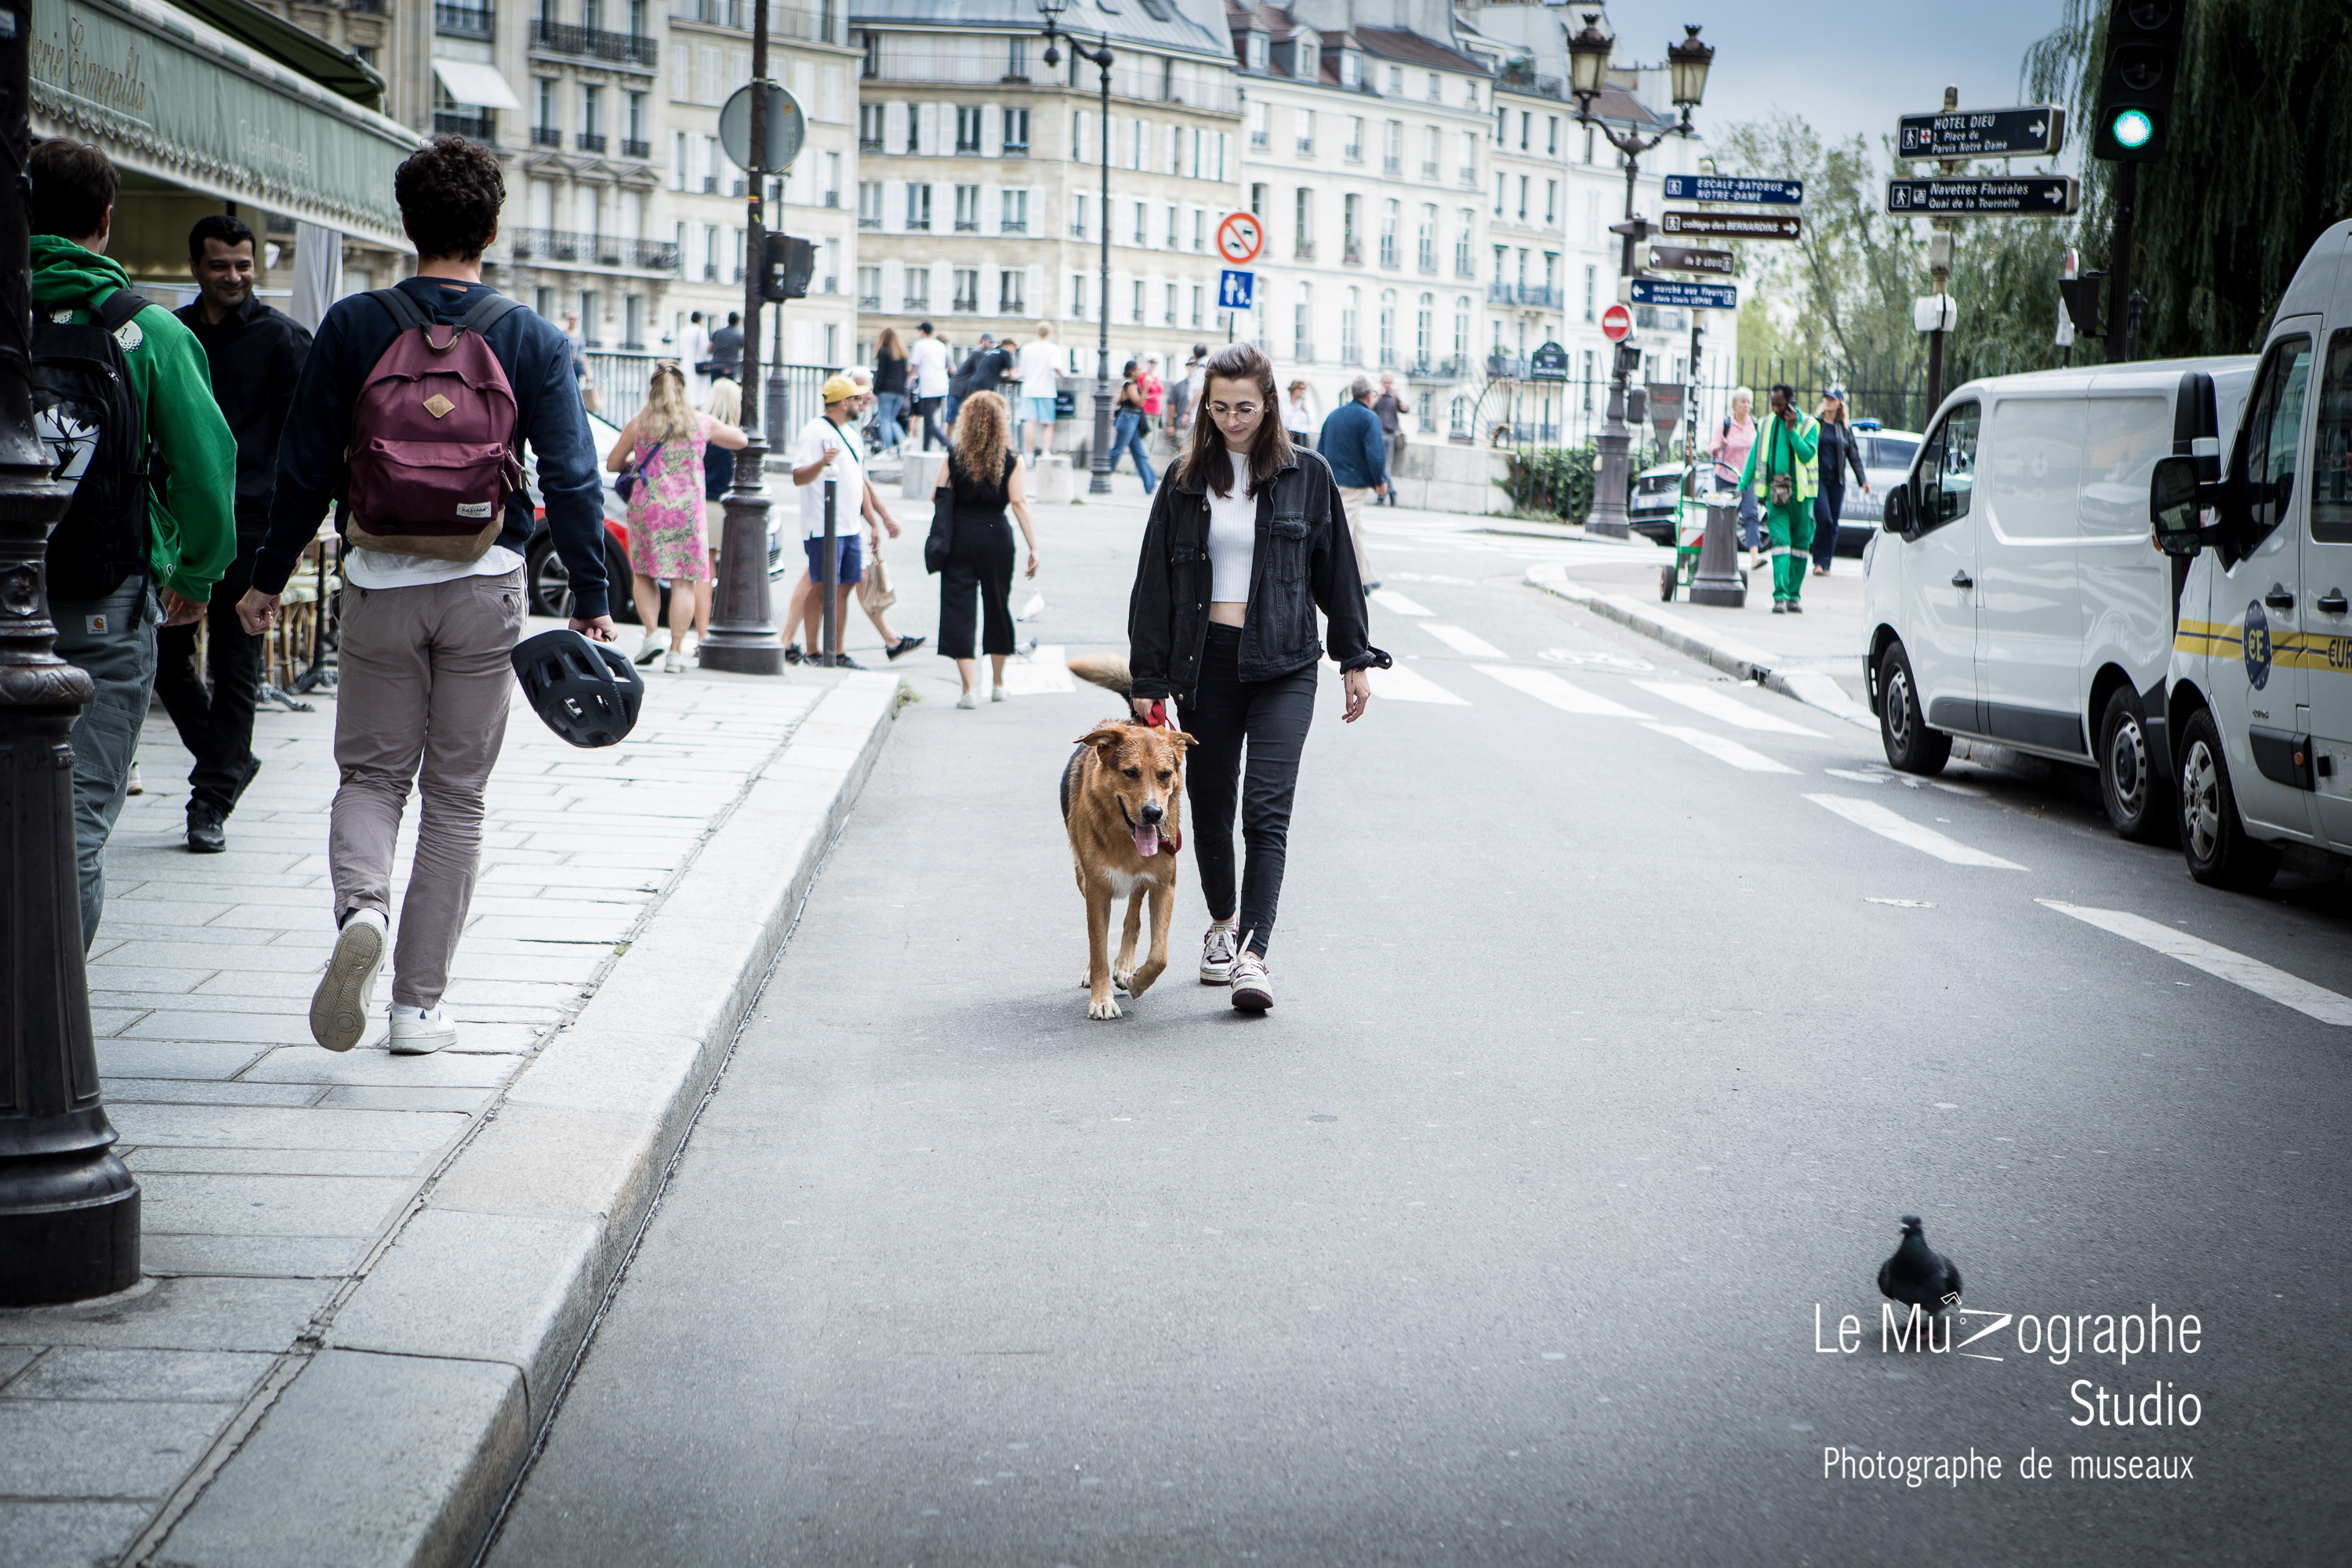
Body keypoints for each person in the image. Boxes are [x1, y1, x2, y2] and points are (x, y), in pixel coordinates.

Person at [239, 136, 615, 1056]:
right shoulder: (529, 335)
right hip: (486, 584)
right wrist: (592, 593)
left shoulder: (357, 326)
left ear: (406, 225)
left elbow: (304, 468)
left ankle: (360, 910)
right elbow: (571, 478)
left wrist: (266, 576)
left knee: (372, 777)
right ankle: (417, 1008)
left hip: (378, 581)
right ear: (491, 227)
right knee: (456, 797)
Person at [1127, 343, 1388, 1014]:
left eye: (1244, 407)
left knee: (1265, 808)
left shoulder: (1309, 474)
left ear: (1269, 402)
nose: (1232, 420)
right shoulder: (1185, 479)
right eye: (1218, 408)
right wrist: (1148, 679)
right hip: (1204, 663)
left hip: (1286, 662)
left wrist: (1353, 657)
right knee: (1210, 807)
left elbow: (1338, 574)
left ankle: (1253, 953)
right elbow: (1154, 582)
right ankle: (1220, 923)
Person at [31, 139, 238, 943]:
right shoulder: (150, 332)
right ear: (107, 222)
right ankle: (48, 1034)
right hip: (104, 601)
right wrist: (196, 570)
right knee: (77, 815)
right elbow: (206, 467)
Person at [158, 212, 310, 855]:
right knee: (163, 657)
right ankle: (228, 760)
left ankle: (211, 801)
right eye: (220, 265)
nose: (234, 276)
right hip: (179, 521)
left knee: (236, 659)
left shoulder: (283, 340)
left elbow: (309, 441)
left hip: (252, 522)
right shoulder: (169, 334)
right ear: (196, 266)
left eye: (244, 265)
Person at [608, 361, 745, 673]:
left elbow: (613, 463)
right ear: (683, 389)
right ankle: (674, 652)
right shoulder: (699, 421)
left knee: (644, 574)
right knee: (683, 582)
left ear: (653, 390)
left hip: (649, 510)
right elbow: (741, 441)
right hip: (687, 513)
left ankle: (653, 634)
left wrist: (637, 457)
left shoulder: (640, 422)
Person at [786, 373, 915, 668]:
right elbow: (797, 477)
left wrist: (873, 523)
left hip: (849, 527)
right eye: (858, 399)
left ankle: (837, 652)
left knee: (843, 587)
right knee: (820, 587)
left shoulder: (852, 434)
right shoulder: (814, 432)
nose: (863, 402)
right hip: (823, 526)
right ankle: (813, 651)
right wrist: (821, 464)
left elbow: (859, 481)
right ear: (844, 403)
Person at [933, 390, 1039, 709]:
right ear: (999, 423)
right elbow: (1019, 502)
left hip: (959, 537)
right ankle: (997, 684)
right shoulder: (1011, 459)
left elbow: (937, 494)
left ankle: (968, 690)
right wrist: (1034, 547)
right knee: (996, 605)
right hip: (996, 537)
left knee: (958, 610)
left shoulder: (954, 454)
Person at [1736, 382, 1821, 615]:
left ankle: (1794, 596)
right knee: (1781, 543)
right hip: (1776, 497)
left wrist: (1792, 431)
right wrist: (1743, 486)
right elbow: (1754, 456)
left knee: (1801, 547)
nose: (1775, 409)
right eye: (1773, 405)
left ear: (1790, 402)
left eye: (1780, 405)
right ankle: (1780, 597)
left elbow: (1806, 454)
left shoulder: (1810, 424)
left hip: (1802, 498)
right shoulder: (1765, 425)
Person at [1317, 376, 1388, 590]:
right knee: (1342, 531)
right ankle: (1330, 579)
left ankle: (1365, 577)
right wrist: (1380, 481)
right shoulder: (1369, 418)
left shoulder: (1334, 415)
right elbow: (1375, 455)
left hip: (1332, 479)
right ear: (1369, 395)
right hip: (1354, 482)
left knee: (1356, 529)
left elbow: (1320, 449)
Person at [1810, 386, 1871, 576]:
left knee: (1833, 522)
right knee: (1824, 518)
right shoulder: (1815, 424)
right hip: (1818, 479)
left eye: (1832, 399)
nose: (1828, 401)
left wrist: (1862, 480)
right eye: (1826, 398)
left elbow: (1853, 455)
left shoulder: (1845, 428)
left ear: (1839, 404)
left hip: (1837, 480)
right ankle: (1818, 561)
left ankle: (1826, 563)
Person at [1707, 387, 1761, 557]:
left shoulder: (1754, 425)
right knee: (1726, 514)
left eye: (1748, 402)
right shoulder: (1726, 425)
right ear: (1735, 405)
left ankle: (1754, 556)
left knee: (1751, 513)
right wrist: (1718, 446)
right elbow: (1711, 448)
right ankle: (1723, 554)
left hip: (1747, 477)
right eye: (1742, 402)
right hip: (1726, 476)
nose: (1746, 406)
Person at [1014, 321, 1061, 459]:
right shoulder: (1054, 349)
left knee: (1029, 422)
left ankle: (1029, 454)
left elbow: (1022, 371)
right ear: (1050, 334)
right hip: (1047, 389)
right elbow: (1056, 367)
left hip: (1029, 389)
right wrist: (1065, 374)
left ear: (1037, 333)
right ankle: (1046, 453)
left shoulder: (1027, 349)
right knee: (1048, 424)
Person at [1109, 359, 1157, 494]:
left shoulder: (1133, 385)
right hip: (1127, 419)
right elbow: (1139, 402)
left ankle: (1150, 484)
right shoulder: (1128, 385)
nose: (1141, 372)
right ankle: (1103, 475)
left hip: (1133, 419)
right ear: (1132, 371)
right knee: (1117, 450)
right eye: (1138, 369)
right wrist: (1147, 386)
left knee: (1140, 454)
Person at [909, 320, 951, 451]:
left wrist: (908, 377)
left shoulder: (920, 345)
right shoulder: (940, 345)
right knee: (930, 419)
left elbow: (914, 365)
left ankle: (948, 444)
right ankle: (926, 447)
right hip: (942, 385)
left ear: (922, 332)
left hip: (929, 386)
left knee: (928, 420)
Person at [1371, 373, 1410, 505]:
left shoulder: (1394, 398)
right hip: (1378, 435)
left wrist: (1398, 399)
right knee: (1381, 466)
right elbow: (1368, 408)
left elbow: (1405, 409)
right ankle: (1391, 493)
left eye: (1389, 383)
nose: (1387, 385)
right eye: (1384, 383)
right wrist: (1378, 396)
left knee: (1386, 467)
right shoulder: (1377, 396)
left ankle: (1383, 495)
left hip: (1391, 435)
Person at [872, 326, 910, 456]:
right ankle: (903, 439)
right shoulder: (902, 354)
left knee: (885, 420)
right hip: (900, 391)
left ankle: (888, 449)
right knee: (892, 420)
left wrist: (875, 391)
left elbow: (881, 374)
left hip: (886, 390)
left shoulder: (884, 352)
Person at [679, 310, 711, 405]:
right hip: (698, 364)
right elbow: (704, 349)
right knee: (699, 392)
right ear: (700, 320)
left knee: (688, 388)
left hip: (685, 363)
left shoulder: (684, 330)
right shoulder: (702, 331)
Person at [706, 310, 743, 383]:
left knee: (716, 390)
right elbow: (742, 352)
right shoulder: (738, 336)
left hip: (715, 366)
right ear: (737, 322)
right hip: (729, 367)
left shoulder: (717, 332)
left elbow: (709, 349)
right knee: (728, 392)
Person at [1283, 379, 1316, 448]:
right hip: (1288, 432)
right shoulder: (1284, 402)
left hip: (1301, 432)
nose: (1302, 391)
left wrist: (1305, 410)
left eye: (1304, 389)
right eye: (1300, 389)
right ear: (1294, 390)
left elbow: (1311, 420)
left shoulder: (1306, 403)